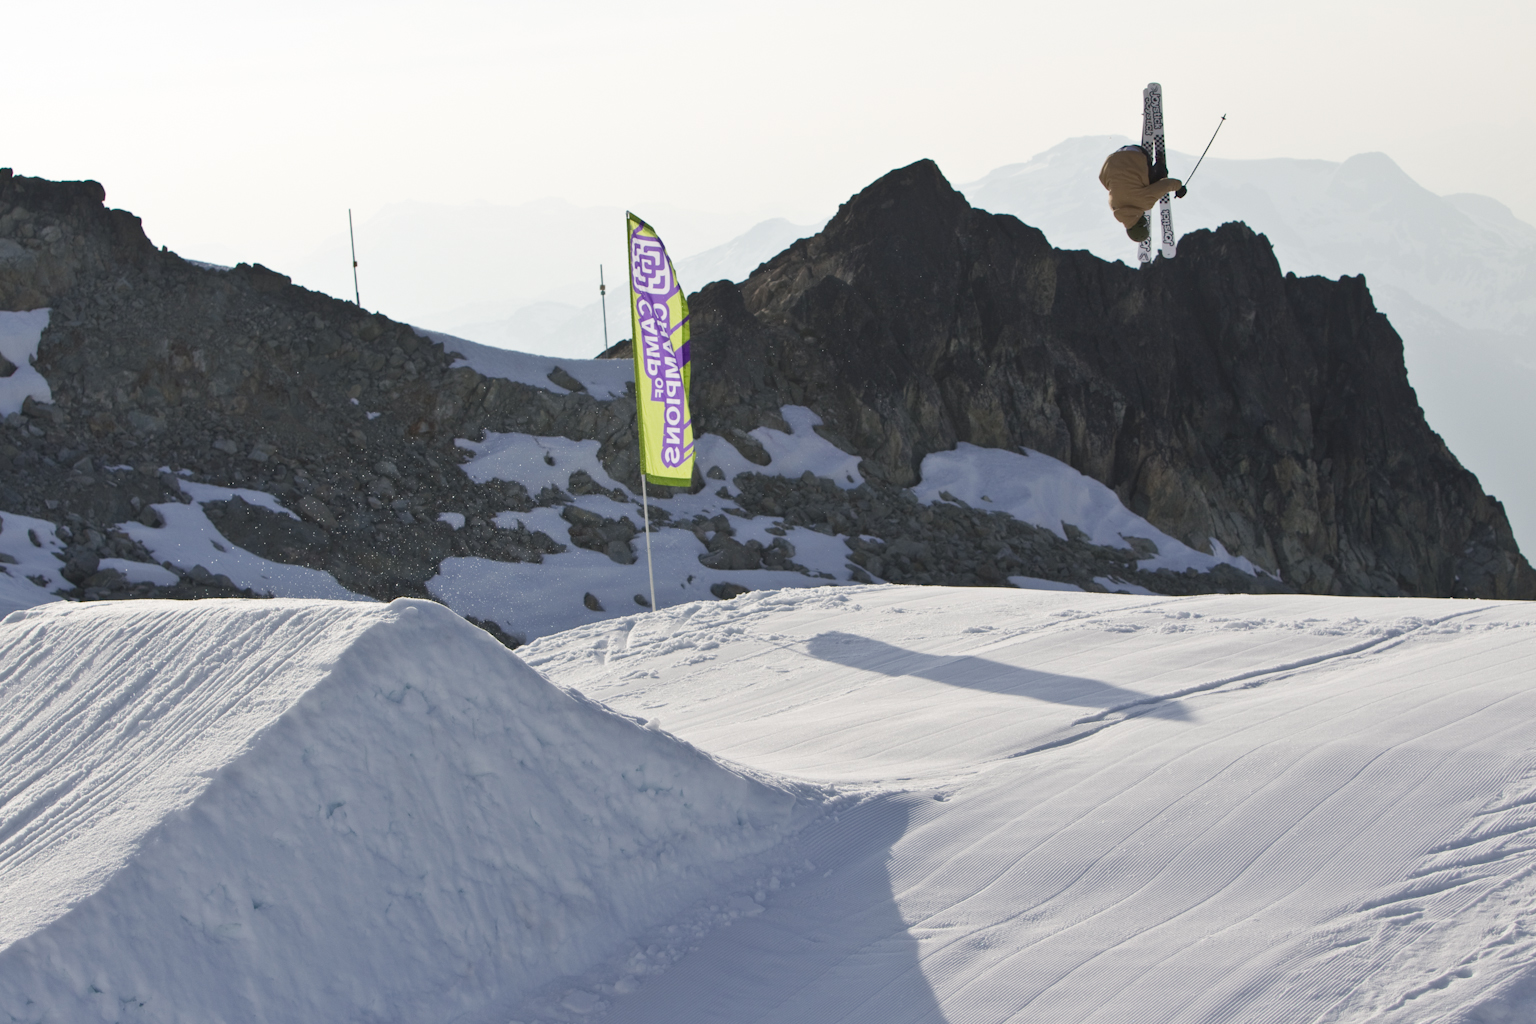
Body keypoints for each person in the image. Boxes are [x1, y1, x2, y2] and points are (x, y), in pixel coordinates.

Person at [1099, 144, 1185, 243]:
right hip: (1112, 159)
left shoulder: (1145, 203)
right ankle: (1140, 169)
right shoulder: (1114, 206)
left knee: (1157, 180)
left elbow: (1166, 184)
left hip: (1137, 154)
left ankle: (1159, 161)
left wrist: (1179, 188)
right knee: (1113, 185)